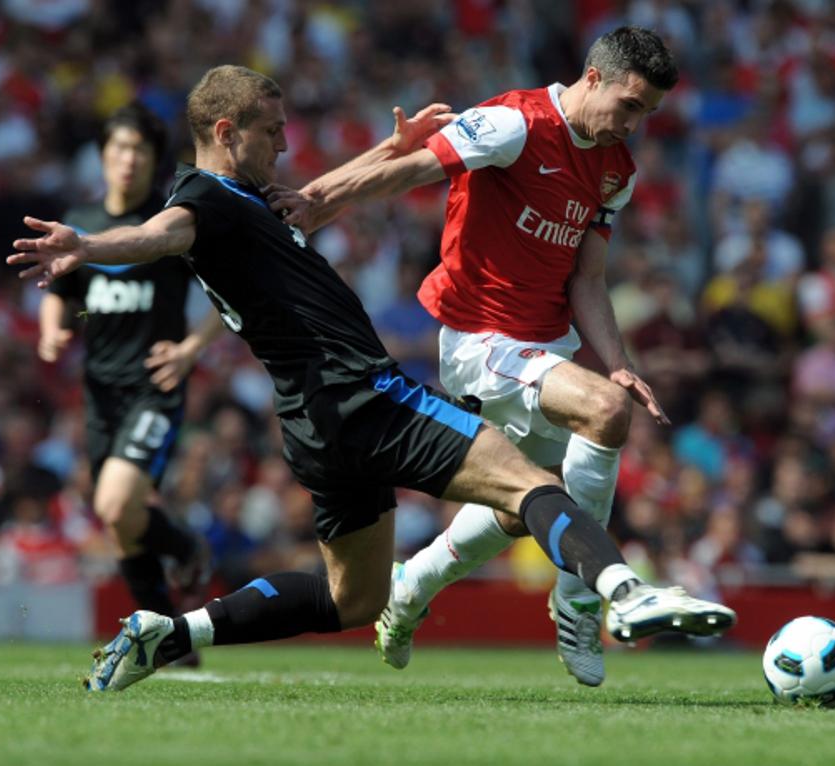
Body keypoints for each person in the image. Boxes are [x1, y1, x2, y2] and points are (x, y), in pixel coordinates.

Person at [6, 64, 736, 693]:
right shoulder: (200, 200)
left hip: (313, 421)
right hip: (366, 394)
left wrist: (393, 143)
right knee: (534, 485)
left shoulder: (251, 203)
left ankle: (168, 634)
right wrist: (90, 245)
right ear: (226, 133)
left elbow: (317, 197)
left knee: (353, 598)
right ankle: (621, 593)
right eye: (272, 131)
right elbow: (161, 236)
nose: (287, 143)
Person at [270, 26, 681, 687]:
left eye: (648, 115)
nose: (632, 126)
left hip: (550, 343)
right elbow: (412, 170)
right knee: (606, 413)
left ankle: (410, 589)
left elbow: (589, 279)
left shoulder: (615, 171)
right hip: (479, 340)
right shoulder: (512, 123)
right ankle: (580, 603)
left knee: (529, 505)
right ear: (594, 78)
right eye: (629, 107)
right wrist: (319, 203)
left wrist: (618, 359)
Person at [40, 103, 223, 656]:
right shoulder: (80, 221)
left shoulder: (166, 223)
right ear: (101, 156)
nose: (127, 160)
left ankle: (189, 550)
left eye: (139, 150)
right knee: (121, 523)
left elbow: (228, 291)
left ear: (153, 161)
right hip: (99, 391)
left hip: (154, 386)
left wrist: (192, 348)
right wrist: (50, 332)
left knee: (116, 507)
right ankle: (169, 642)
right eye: (118, 148)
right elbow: (59, 292)